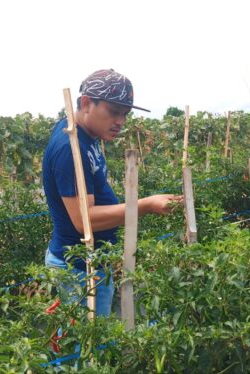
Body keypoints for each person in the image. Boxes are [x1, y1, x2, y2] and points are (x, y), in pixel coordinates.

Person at [42, 69, 182, 316]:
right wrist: (146, 205)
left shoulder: (85, 134)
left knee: (91, 344)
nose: (121, 121)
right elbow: (83, 220)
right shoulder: (69, 146)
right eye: (114, 112)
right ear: (86, 103)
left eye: (125, 114)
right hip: (77, 268)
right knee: (84, 350)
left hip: (92, 263)